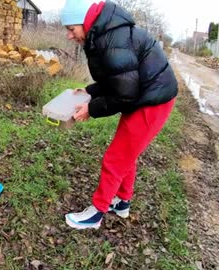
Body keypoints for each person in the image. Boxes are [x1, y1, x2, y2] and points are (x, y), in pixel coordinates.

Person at [59, 0, 178, 229]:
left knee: (116, 158)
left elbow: (124, 94)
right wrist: (90, 91)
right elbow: (117, 78)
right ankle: (122, 202)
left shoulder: (111, 39)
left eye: (71, 29)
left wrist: (91, 109)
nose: (69, 36)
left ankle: (96, 213)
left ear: (85, 22)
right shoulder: (105, 32)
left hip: (152, 101)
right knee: (127, 153)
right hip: (145, 94)